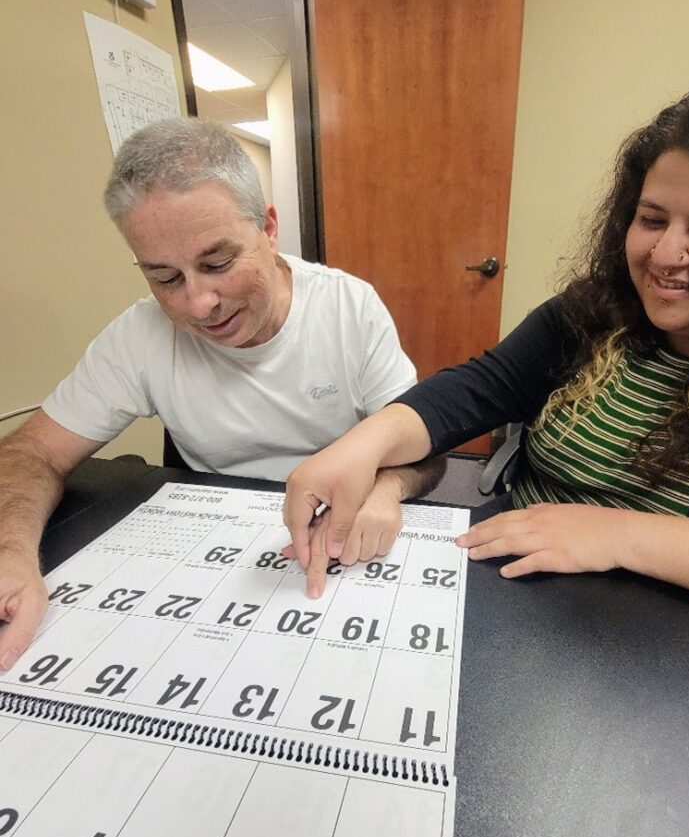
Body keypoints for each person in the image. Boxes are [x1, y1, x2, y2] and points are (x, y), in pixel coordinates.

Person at [284, 77, 689, 632]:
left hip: (655, 642)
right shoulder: (595, 309)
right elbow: (479, 386)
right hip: (511, 590)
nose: (664, 253)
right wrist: (365, 444)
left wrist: (616, 534)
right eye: (652, 219)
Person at [0, 118, 442, 670]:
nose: (197, 304)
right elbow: (30, 451)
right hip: (210, 557)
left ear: (269, 228)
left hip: (335, 546)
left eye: (217, 263)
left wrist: (386, 490)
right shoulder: (139, 336)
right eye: (164, 277)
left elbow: (426, 449)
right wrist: (11, 553)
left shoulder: (348, 309)